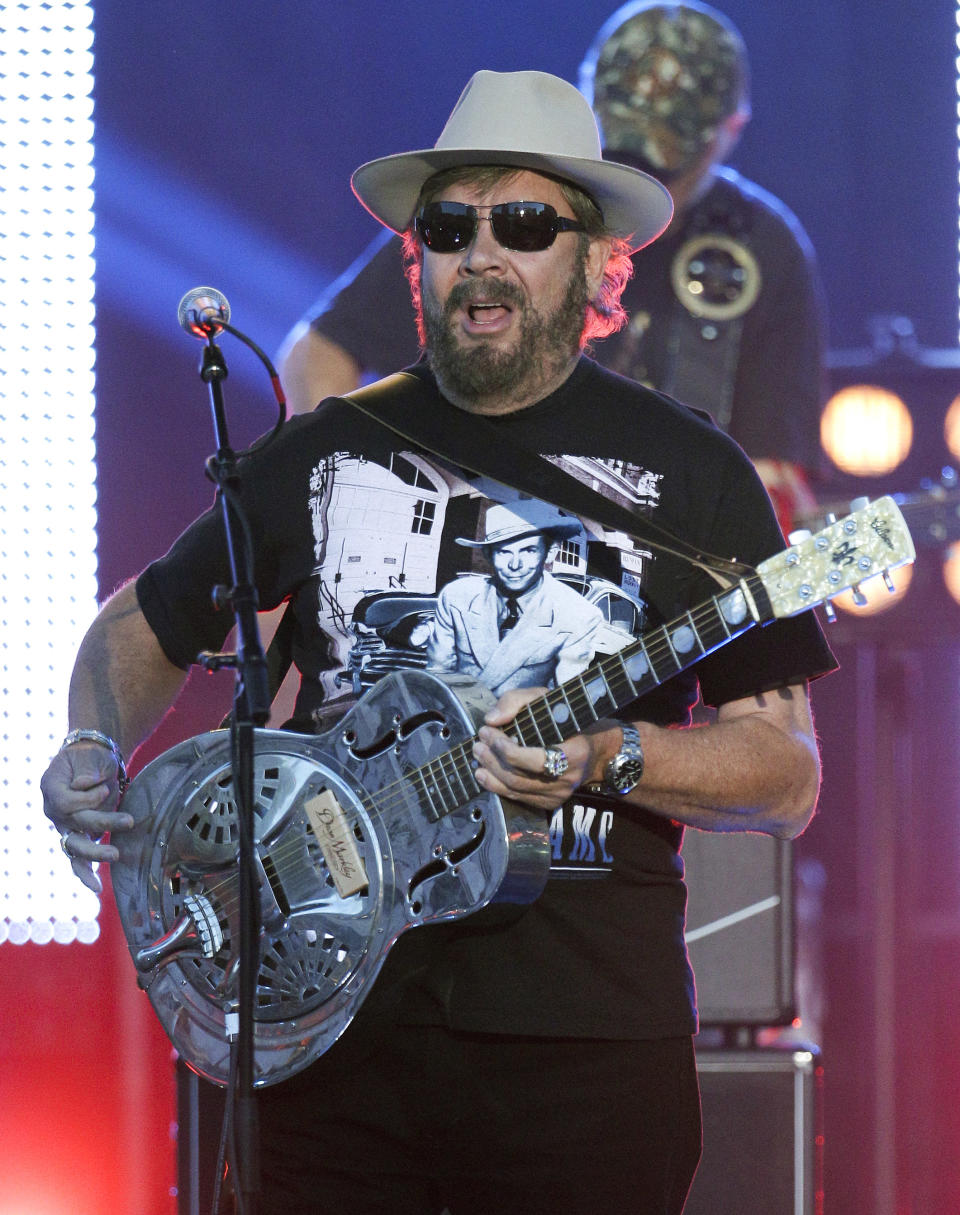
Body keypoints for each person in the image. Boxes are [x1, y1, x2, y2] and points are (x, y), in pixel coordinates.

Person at [41, 69, 836, 1215]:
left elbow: (787, 773)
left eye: (522, 224)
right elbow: (146, 623)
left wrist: (614, 756)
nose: (482, 255)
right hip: (325, 1028)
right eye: (450, 227)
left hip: (585, 1045)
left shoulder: (691, 474)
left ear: (596, 261)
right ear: (417, 261)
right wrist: (90, 748)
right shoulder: (330, 448)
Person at [278, 2, 827, 533]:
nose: (643, 173)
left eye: (667, 158)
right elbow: (316, 355)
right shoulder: (494, 207)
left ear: (732, 129)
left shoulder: (762, 248)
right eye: (623, 147)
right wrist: (362, 498)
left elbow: (769, 476)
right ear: (587, 96)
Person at [426, 500, 608, 696]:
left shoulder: (578, 615)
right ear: (488, 554)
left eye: (528, 551)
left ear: (549, 553)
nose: (515, 564)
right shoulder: (457, 597)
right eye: (504, 552)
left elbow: (565, 700)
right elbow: (437, 675)